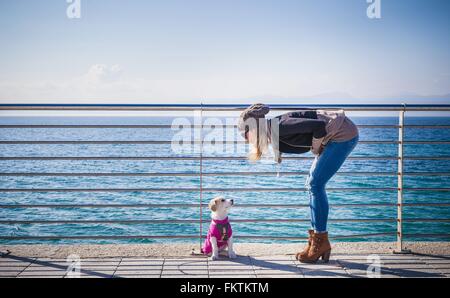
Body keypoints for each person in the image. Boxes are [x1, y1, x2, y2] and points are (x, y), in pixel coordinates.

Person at [238, 103, 359, 263]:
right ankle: (317, 240)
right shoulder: (273, 131)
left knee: (315, 184)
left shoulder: (279, 126)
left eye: (246, 136)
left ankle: (320, 241)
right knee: (312, 184)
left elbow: (318, 126)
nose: (247, 141)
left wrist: (317, 149)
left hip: (342, 134)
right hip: (334, 135)